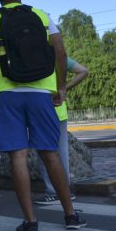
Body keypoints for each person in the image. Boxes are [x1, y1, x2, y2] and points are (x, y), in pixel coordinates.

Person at [0, 0, 87, 231]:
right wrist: (59, 87)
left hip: (8, 96)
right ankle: (70, 215)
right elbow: (61, 52)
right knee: (50, 154)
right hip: (42, 95)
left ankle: (30, 222)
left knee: (18, 156)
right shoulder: (42, 15)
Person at [35, 56, 88, 205]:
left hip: (41, 110)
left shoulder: (33, 55)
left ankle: (53, 192)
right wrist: (63, 89)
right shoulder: (59, 56)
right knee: (61, 152)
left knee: (45, 153)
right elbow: (83, 71)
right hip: (59, 110)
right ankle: (66, 190)